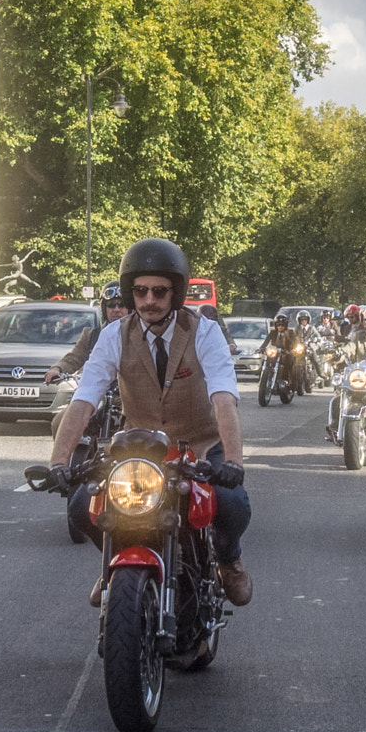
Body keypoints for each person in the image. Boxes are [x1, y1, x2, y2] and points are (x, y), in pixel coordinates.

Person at [49, 238, 252, 606]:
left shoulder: (204, 332)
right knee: (82, 506)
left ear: (176, 293)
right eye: (140, 291)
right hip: (140, 447)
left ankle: (228, 559)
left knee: (232, 502)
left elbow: (223, 397)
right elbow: (84, 399)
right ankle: (111, 562)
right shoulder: (114, 335)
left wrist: (234, 461)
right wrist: (59, 462)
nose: (149, 300)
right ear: (131, 293)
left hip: (201, 445)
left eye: (159, 291)